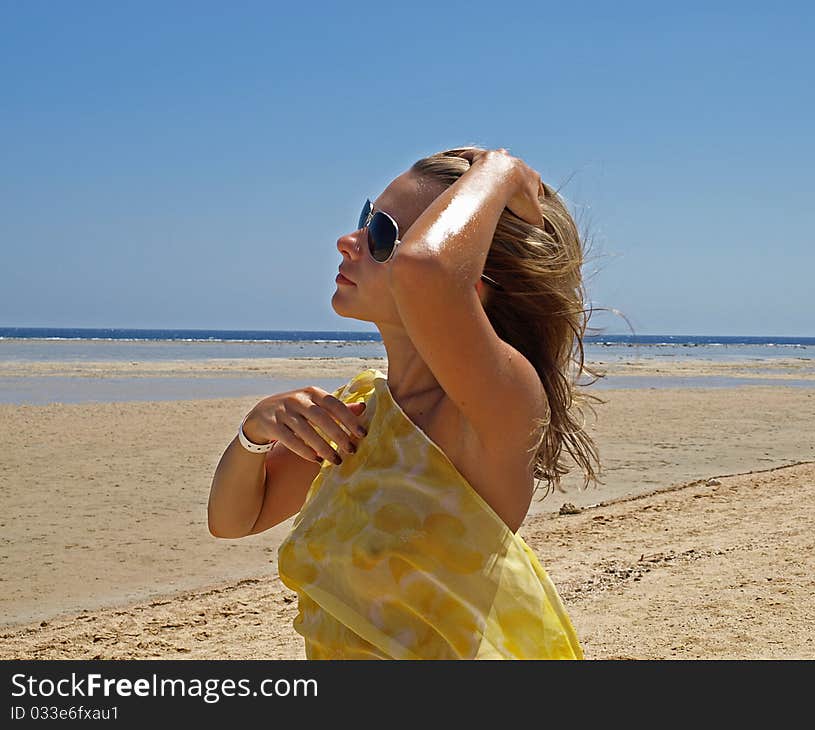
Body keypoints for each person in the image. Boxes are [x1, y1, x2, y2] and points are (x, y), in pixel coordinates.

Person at [208, 146, 605, 659]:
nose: (347, 241)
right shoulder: (364, 411)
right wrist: (255, 432)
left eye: (380, 237)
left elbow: (426, 268)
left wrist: (502, 170)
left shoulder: (497, 407)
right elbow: (234, 518)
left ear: (472, 281)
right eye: (365, 219)